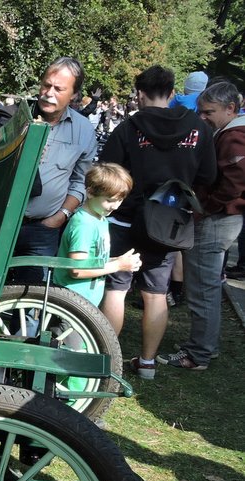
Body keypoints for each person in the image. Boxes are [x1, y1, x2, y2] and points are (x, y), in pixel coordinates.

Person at [100, 65, 216, 380]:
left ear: (140, 93)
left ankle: (106, 358)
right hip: (169, 223)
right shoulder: (199, 128)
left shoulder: (128, 128)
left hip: (126, 218)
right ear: (173, 92)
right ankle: (148, 363)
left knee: (116, 288)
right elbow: (208, 176)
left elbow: (107, 170)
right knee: (156, 292)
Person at [158, 81, 245, 371]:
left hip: (218, 220)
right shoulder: (231, 132)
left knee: (203, 288)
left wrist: (203, 209)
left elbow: (233, 184)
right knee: (205, 286)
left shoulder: (235, 136)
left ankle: (198, 354)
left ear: (231, 109)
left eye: (209, 112)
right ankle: (206, 346)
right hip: (222, 218)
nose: (204, 117)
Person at [9, 56, 98, 284]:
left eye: (59, 89)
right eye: (46, 85)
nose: (49, 93)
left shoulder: (83, 131)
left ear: (74, 95)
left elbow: (80, 182)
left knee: (31, 293)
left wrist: (60, 217)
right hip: (1, 221)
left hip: (42, 229)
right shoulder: (14, 117)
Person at [54, 163, 141, 308]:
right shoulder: (84, 224)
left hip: (85, 303)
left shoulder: (100, 219)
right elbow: (77, 269)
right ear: (90, 192)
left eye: (120, 200)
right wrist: (118, 265)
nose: (115, 206)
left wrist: (117, 260)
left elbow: (93, 259)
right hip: (71, 304)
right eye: (110, 200)